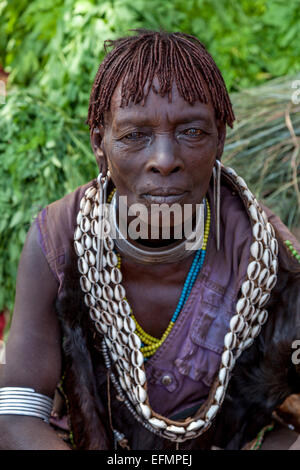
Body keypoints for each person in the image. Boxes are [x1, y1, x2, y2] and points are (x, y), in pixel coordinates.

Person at [1, 29, 300, 451]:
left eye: (192, 132)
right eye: (134, 135)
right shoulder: (58, 239)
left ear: (220, 141)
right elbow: (16, 413)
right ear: (99, 146)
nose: (164, 160)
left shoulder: (261, 249)